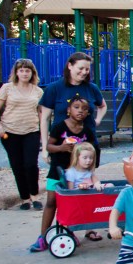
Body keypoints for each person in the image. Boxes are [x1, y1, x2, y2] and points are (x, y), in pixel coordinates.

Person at [30, 95, 99, 251]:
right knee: (51, 202)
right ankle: (43, 236)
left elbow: (91, 150)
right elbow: (49, 146)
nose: (80, 111)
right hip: (57, 171)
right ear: (68, 110)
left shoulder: (87, 131)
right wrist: (61, 148)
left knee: (71, 204)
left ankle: (69, 232)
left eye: (84, 109)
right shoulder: (60, 127)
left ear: (88, 113)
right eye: (76, 107)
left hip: (77, 174)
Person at [0, 58, 43, 210]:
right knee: (17, 165)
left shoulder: (38, 91)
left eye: (27, 70)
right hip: (10, 131)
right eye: (21, 70)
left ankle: (34, 195)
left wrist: (44, 131)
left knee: (31, 164)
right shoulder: (7, 88)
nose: (24, 73)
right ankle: (24, 197)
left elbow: (41, 112)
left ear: (32, 73)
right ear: (16, 72)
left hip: (31, 130)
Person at [40, 52, 106, 168]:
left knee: (85, 181)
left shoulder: (92, 88)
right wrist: (45, 148)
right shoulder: (54, 88)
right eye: (80, 68)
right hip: (62, 145)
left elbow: (102, 106)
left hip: (86, 146)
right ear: (70, 66)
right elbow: (44, 119)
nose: (84, 72)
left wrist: (98, 119)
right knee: (60, 181)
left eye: (87, 69)